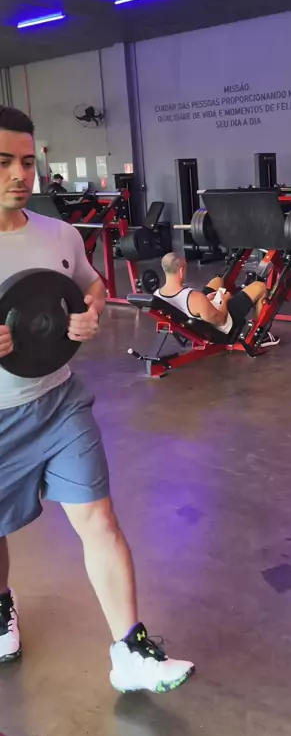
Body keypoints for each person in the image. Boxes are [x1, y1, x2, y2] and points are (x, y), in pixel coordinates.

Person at [0, 105, 194, 693]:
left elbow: (91, 287)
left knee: (99, 519)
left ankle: (130, 652)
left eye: (27, 162)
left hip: (59, 402)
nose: (20, 175)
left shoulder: (57, 233)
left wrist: (88, 315)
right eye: (4, 162)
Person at [157, 252, 280, 347]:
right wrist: (225, 300)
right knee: (260, 286)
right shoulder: (194, 298)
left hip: (200, 317)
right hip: (223, 324)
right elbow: (221, 320)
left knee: (218, 281)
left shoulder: (157, 295)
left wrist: (205, 300)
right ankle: (260, 335)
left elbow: (185, 306)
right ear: (181, 270)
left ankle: (235, 296)